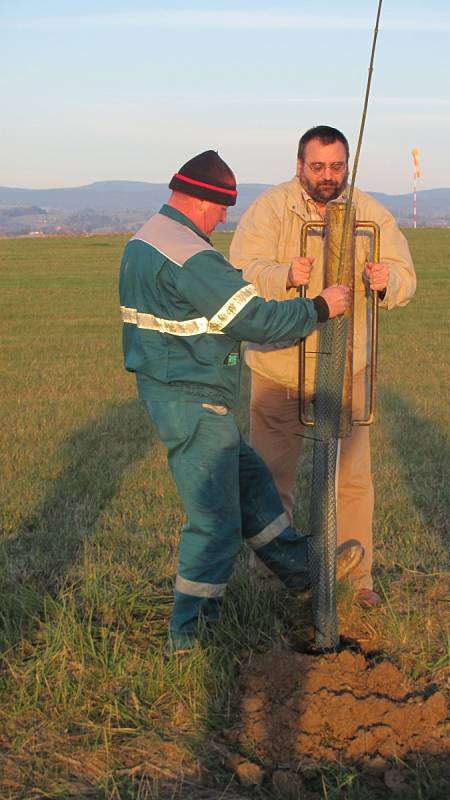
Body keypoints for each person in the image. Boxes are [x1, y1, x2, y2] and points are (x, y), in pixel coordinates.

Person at [119, 150, 365, 650]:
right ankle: (190, 638)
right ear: (198, 199)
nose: (224, 218)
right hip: (193, 400)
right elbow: (253, 318)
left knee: (252, 487)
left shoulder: (144, 241)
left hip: (178, 391)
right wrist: (319, 306)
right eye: (220, 207)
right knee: (215, 524)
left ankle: (301, 572)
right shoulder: (192, 256)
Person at [230, 126, 416, 608]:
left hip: (346, 369)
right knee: (272, 481)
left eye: (336, 167)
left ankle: (357, 583)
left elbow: (406, 277)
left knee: (352, 478)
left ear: (346, 166)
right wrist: (284, 275)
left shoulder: (369, 211)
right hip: (280, 368)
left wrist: (384, 280)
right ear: (299, 166)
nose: (327, 177)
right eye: (318, 167)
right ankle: (275, 582)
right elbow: (242, 271)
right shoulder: (271, 209)